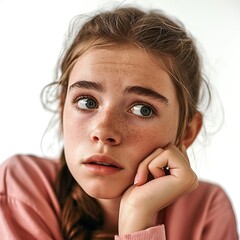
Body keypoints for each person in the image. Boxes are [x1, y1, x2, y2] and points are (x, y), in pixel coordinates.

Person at [0, 6, 238, 240]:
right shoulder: (19, 187)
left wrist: (138, 217)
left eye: (142, 109)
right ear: (63, 108)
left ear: (186, 132)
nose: (103, 132)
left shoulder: (207, 210)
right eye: (87, 102)